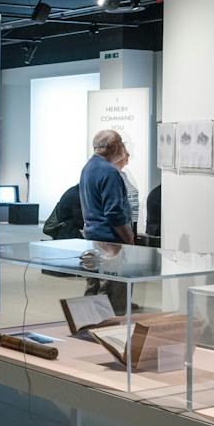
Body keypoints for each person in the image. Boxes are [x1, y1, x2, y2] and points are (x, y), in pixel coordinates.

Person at [79, 129, 134, 313]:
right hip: (110, 242)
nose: (124, 148)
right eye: (121, 143)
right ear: (113, 146)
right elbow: (114, 213)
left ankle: (88, 331)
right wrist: (129, 239)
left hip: (92, 239)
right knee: (112, 296)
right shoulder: (109, 172)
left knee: (94, 291)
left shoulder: (88, 168)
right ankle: (109, 335)